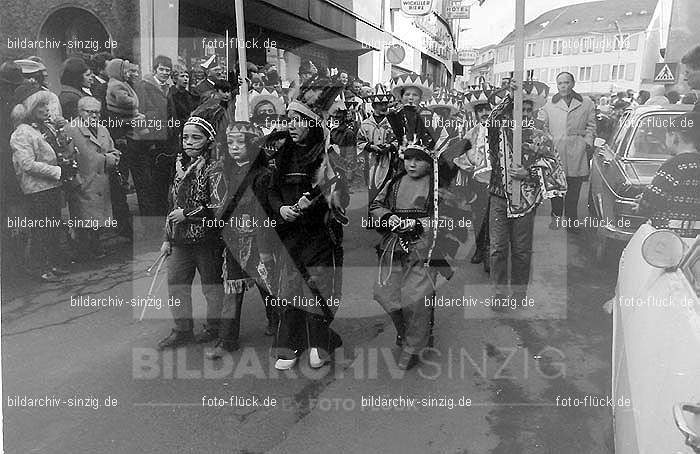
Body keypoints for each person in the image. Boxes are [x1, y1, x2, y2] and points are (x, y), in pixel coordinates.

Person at [268, 98, 346, 371]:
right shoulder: (282, 155)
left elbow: (341, 197)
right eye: (288, 120)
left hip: (319, 235)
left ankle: (319, 344)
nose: (292, 125)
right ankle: (291, 344)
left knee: (316, 286)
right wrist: (282, 208)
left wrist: (317, 201)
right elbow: (271, 191)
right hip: (290, 233)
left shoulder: (327, 155)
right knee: (290, 287)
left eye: (298, 120)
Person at [369, 140, 459, 370]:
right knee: (386, 294)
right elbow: (376, 205)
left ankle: (412, 347)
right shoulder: (395, 181)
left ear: (429, 164)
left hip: (424, 250)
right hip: (393, 248)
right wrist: (388, 217)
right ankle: (405, 333)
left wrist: (418, 224)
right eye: (408, 158)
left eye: (418, 159)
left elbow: (448, 218)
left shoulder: (436, 185)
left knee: (415, 299)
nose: (412, 164)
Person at [487, 82, 567, 310]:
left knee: (521, 251)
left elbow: (554, 166)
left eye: (527, 109)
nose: (523, 113)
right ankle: (499, 295)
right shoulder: (497, 132)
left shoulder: (541, 137)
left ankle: (519, 295)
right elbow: (491, 119)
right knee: (497, 250)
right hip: (498, 197)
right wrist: (511, 97)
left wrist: (529, 173)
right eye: (518, 109)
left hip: (526, 200)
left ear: (533, 112)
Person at [206, 121, 278, 359]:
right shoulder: (222, 171)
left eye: (240, 142)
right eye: (230, 143)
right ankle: (227, 339)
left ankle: (278, 326)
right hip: (234, 241)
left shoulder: (264, 174)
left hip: (259, 240)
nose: (234, 148)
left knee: (268, 287)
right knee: (232, 289)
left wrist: (267, 247)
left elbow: (266, 213)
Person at [157, 112, 226, 350]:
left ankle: (215, 327)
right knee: (176, 283)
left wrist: (188, 215)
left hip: (206, 238)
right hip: (179, 240)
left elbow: (219, 206)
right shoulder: (179, 165)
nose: (189, 142)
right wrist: (167, 237)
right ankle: (182, 329)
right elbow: (171, 205)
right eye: (185, 137)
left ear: (208, 140)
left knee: (211, 285)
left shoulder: (215, 167)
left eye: (196, 137)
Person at [10, 83, 76, 281]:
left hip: (50, 186)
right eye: (41, 107)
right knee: (41, 229)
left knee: (51, 227)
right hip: (37, 189)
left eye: (47, 106)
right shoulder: (22, 132)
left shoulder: (40, 128)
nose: (47, 110)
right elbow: (28, 165)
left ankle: (51, 264)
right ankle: (38, 267)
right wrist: (58, 171)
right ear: (30, 108)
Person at [64, 97, 121, 261]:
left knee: (96, 218)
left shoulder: (102, 129)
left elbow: (113, 149)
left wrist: (114, 157)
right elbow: (66, 157)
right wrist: (75, 181)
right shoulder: (71, 129)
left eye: (97, 112)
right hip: (83, 180)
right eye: (89, 112)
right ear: (80, 112)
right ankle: (83, 251)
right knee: (82, 218)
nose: (94, 115)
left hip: (101, 180)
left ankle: (95, 247)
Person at [539, 72, 596, 232]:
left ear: (573, 83)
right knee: (556, 189)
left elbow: (591, 127)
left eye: (566, 82)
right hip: (556, 152)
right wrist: (550, 142)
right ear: (557, 86)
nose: (563, 86)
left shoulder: (586, 103)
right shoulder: (548, 105)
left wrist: (586, 142)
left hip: (577, 152)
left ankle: (571, 223)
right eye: (560, 83)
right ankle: (556, 218)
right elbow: (543, 127)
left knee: (573, 191)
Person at [634, 112, 700, 238]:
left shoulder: (673, 166)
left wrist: (640, 205)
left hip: (667, 238)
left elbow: (650, 200)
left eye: (666, 136)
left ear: (675, 136)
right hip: (696, 242)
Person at [134, 55, 175, 223]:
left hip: (167, 141)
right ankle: (153, 218)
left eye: (168, 70)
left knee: (164, 179)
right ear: (155, 70)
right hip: (152, 142)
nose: (165, 73)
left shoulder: (169, 88)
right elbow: (141, 113)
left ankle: (162, 213)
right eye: (162, 69)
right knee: (152, 182)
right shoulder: (145, 87)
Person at [167, 65, 199, 141]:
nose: (185, 79)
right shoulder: (170, 95)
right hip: (174, 132)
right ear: (175, 79)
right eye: (182, 76)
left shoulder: (190, 96)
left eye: (187, 77)